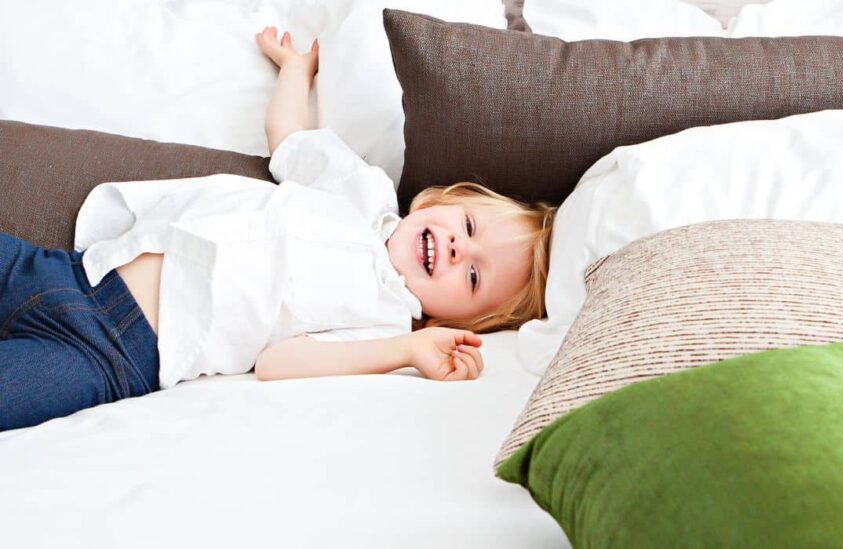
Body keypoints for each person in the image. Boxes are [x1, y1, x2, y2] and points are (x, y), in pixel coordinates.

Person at [0, 27, 555, 431]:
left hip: (113, 355)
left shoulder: (383, 320)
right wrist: (295, 71)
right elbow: (290, 138)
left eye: (474, 276)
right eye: (468, 225)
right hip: (73, 271)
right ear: (444, 200)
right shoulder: (362, 192)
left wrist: (407, 349)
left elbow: (278, 363)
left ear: (459, 321)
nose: (458, 248)